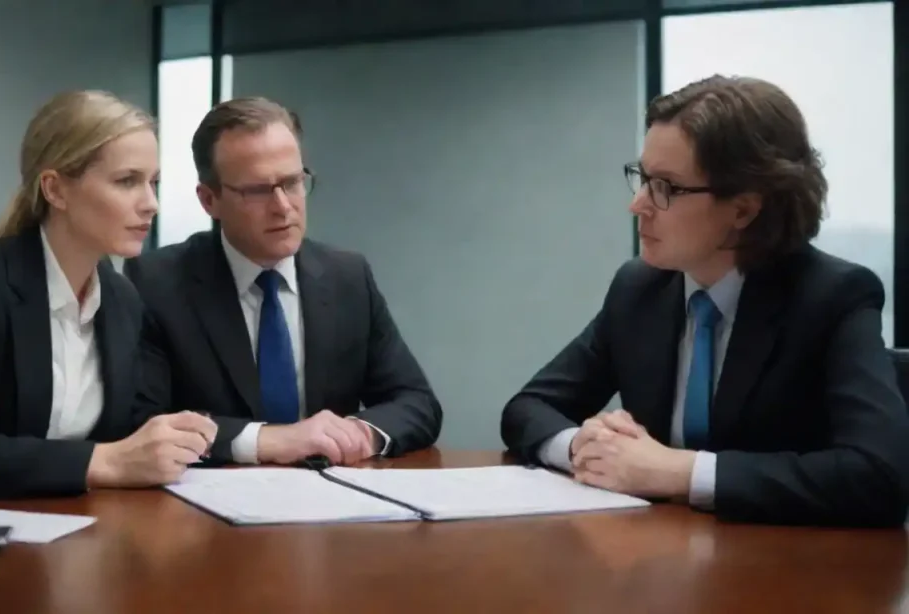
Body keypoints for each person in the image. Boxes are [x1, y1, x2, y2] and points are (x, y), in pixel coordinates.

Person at [501, 75, 909, 527]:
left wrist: (678, 472)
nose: (638, 205)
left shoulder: (831, 297)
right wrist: (585, 447)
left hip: (787, 574)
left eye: (667, 188)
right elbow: (527, 408)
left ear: (743, 209)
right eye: (643, 178)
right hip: (658, 562)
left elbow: (878, 476)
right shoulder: (641, 288)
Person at [0, 90, 218, 501]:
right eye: (127, 181)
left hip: (78, 533)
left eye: (153, 183)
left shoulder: (122, 299)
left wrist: (173, 438)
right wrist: (104, 462)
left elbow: (131, 432)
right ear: (55, 189)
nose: (150, 204)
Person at [125, 96, 441, 466]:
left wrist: (359, 433)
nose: (283, 206)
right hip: (209, 508)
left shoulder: (347, 277)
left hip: (334, 505)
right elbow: (144, 423)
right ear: (209, 200)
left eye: (292, 182)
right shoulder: (158, 283)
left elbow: (417, 403)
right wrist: (268, 441)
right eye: (258, 190)